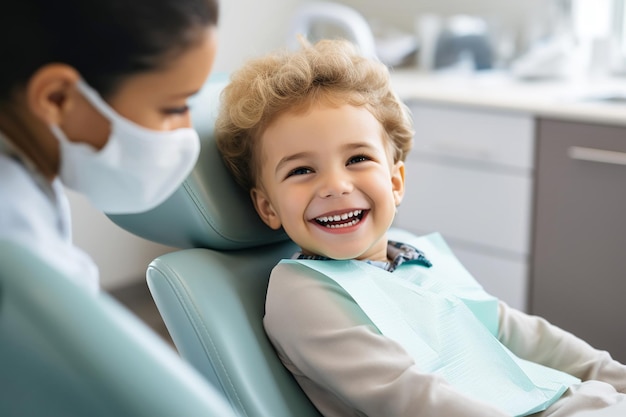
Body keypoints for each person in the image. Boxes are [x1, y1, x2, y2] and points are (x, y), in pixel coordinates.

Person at [215, 39, 626, 417]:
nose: (336, 186)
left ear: (395, 183)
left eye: (357, 158)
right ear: (268, 207)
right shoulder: (303, 294)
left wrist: (612, 378)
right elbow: (415, 400)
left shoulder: (416, 254)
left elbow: (520, 333)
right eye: (302, 170)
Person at [0, 0, 219, 292]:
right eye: (174, 109)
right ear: (56, 98)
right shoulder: (14, 235)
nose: (185, 131)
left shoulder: (30, 182)